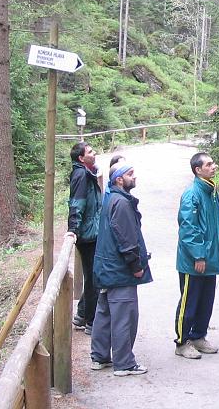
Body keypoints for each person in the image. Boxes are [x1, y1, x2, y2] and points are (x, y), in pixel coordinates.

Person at [91, 164, 153, 376]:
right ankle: (124, 363)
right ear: (119, 179)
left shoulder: (111, 198)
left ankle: (99, 357)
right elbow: (126, 239)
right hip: (119, 271)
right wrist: (136, 266)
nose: (134, 177)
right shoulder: (122, 203)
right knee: (125, 315)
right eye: (129, 174)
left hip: (107, 269)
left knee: (105, 313)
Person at [174, 152, 219, 359]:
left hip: (211, 259)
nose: (214, 166)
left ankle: (198, 336)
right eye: (209, 164)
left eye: (213, 162)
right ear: (198, 170)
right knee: (190, 301)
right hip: (194, 262)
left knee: (206, 300)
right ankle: (182, 341)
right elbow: (188, 228)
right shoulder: (192, 194)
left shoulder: (211, 191)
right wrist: (198, 255)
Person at [66, 142, 101, 336]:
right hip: (87, 235)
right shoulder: (81, 175)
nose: (94, 153)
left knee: (92, 275)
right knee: (94, 277)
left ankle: (82, 314)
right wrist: (74, 229)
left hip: (91, 231)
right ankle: (91, 320)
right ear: (81, 158)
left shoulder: (88, 172)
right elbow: (77, 202)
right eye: (90, 152)